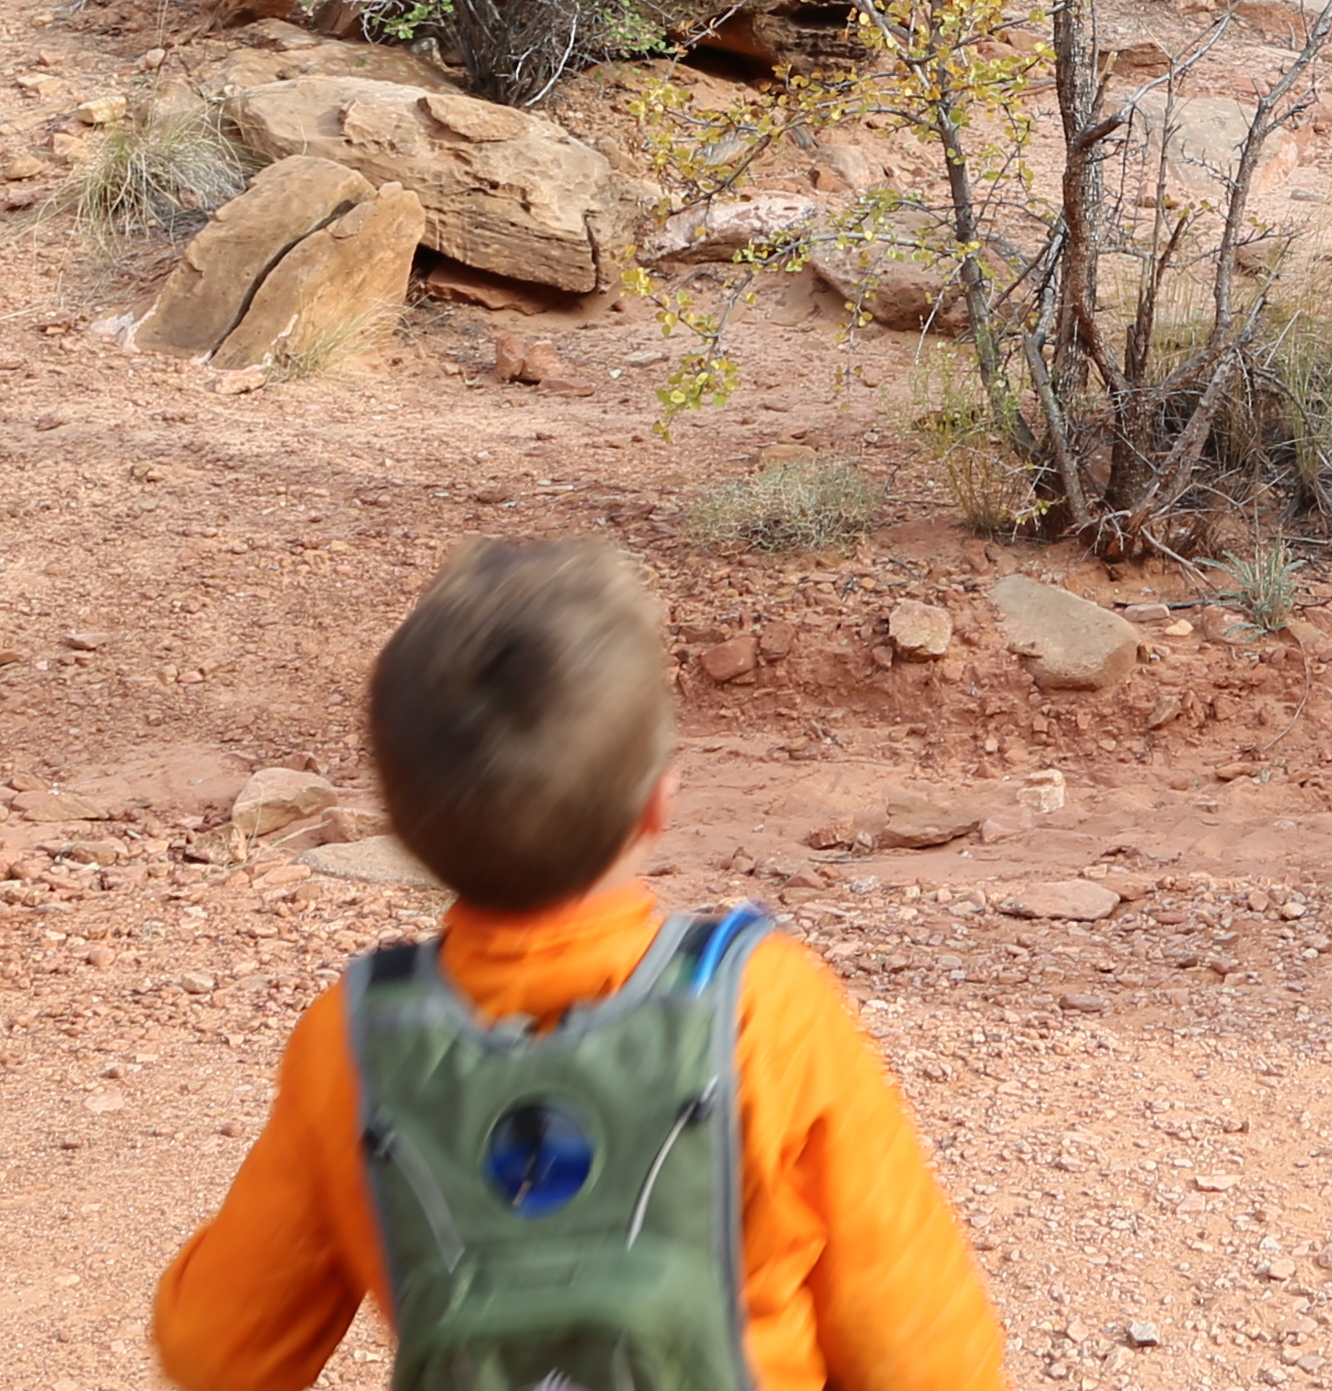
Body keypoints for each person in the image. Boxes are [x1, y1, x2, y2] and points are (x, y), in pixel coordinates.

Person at [151, 539, 1010, 1391]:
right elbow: (930, 1359)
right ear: (657, 802)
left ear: (406, 833)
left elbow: (214, 1352)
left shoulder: (356, 1044)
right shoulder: (761, 1009)